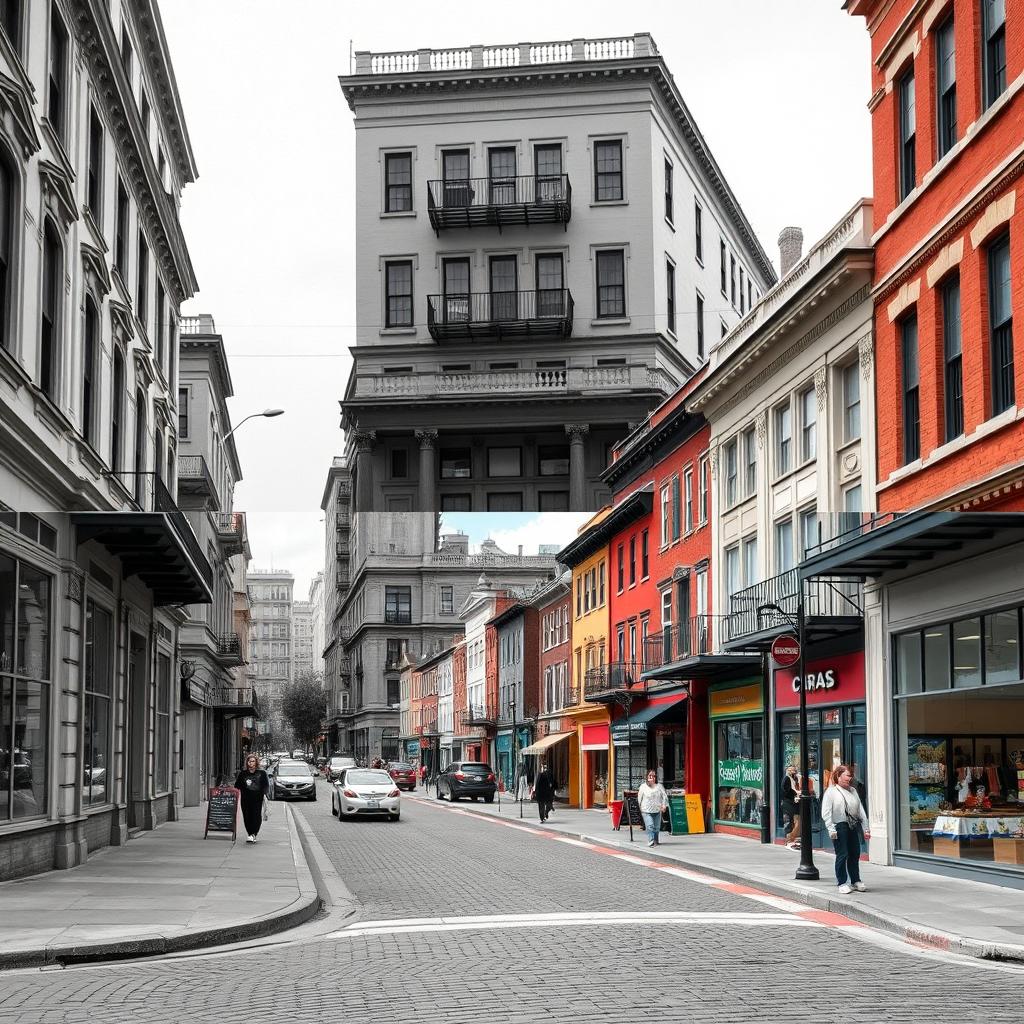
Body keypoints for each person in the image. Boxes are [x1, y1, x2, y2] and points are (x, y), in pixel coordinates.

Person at [822, 763, 870, 894]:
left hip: (853, 825)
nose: (850, 778)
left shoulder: (853, 790)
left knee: (855, 854)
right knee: (842, 854)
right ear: (838, 775)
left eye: (851, 776)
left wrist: (866, 828)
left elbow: (860, 810)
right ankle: (842, 882)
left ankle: (855, 880)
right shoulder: (831, 791)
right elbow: (826, 812)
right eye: (847, 775)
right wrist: (831, 828)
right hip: (839, 825)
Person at [234, 753, 271, 844]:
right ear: (247, 762)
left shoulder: (262, 773)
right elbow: (237, 785)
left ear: (256, 762)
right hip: (245, 799)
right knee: (247, 816)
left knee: (256, 816)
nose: (251, 763)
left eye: (253, 761)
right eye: (249, 761)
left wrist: (265, 795)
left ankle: (253, 834)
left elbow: (266, 785)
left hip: (257, 799)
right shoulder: (243, 774)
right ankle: (250, 833)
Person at [637, 769, 668, 848]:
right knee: (650, 825)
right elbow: (639, 798)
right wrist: (640, 807)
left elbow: (664, 796)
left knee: (657, 827)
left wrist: (664, 805)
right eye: (650, 775)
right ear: (647, 777)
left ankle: (656, 840)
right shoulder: (643, 787)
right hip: (646, 810)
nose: (652, 777)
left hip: (657, 810)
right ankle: (651, 841)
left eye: (654, 776)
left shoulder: (659, 786)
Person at [781, 765, 801, 848]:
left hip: (794, 803)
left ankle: (793, 838)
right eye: (790, 770)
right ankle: (789, 840)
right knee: (789, 821)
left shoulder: (795, 778)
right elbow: (785, 791)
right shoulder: (786, 779)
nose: (792, 772)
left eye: (793, 770)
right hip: (788, 803)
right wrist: (795, 793)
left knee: (796, 820)